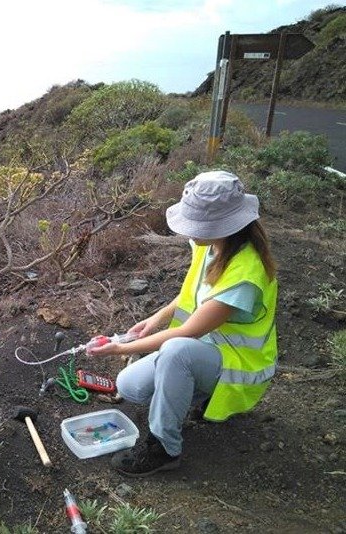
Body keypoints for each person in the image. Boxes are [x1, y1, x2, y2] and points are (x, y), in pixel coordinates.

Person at [87, 170, 278, 477]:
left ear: (220, 225)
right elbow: (190, 295)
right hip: (206, 349)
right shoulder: (213, 246)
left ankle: (164, 449)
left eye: (196, 224)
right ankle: (192, 392)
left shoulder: (245, 272)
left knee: (176, 352)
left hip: (237, 366)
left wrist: (119, 347)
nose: (189, 232)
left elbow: (188, 332)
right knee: (129, 385)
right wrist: (155, 319)